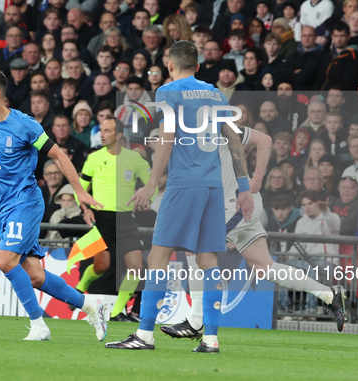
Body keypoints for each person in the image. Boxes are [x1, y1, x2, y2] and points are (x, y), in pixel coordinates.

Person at [105, 40, 254, 352]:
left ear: (169, 66)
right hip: (213, 187)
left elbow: (167, 137)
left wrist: (151, 184)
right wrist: (244, 189)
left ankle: (143, 335)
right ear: (198, 66)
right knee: (207, 259)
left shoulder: (167, 91)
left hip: (183, 185)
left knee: (158, 256)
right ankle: (211, 339)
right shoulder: (215, 93)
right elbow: (234, 141)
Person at [0, 68, 106, 342]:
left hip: (26, 202)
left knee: (6, 260)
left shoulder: (24, 125)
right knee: (34, 275)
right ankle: (90, 305)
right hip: (2, 208)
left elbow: (58, 155)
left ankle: (38, 325)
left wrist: (80, 192)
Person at [161, 127, 347, 342]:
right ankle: (328, 294)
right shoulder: (193, 133)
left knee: (194, 251)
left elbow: (265, 140)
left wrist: (257, 179)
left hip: (237, 206)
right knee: (266, 267)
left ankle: (195, 322)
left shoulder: (219, 124)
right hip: (236, 208)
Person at [76, 117, 150, 322]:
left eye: (107, 131)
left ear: (119, 135)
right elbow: (80, 189)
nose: (102, 134)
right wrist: (85, 209)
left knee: (136, 266)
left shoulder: (134, 159)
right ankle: (80, 287)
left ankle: (118, 311)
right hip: (101, 217)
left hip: (126, 219)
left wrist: (146, 198)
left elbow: (150, 182)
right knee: (104, 266)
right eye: (101, 130)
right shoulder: (94, 158)